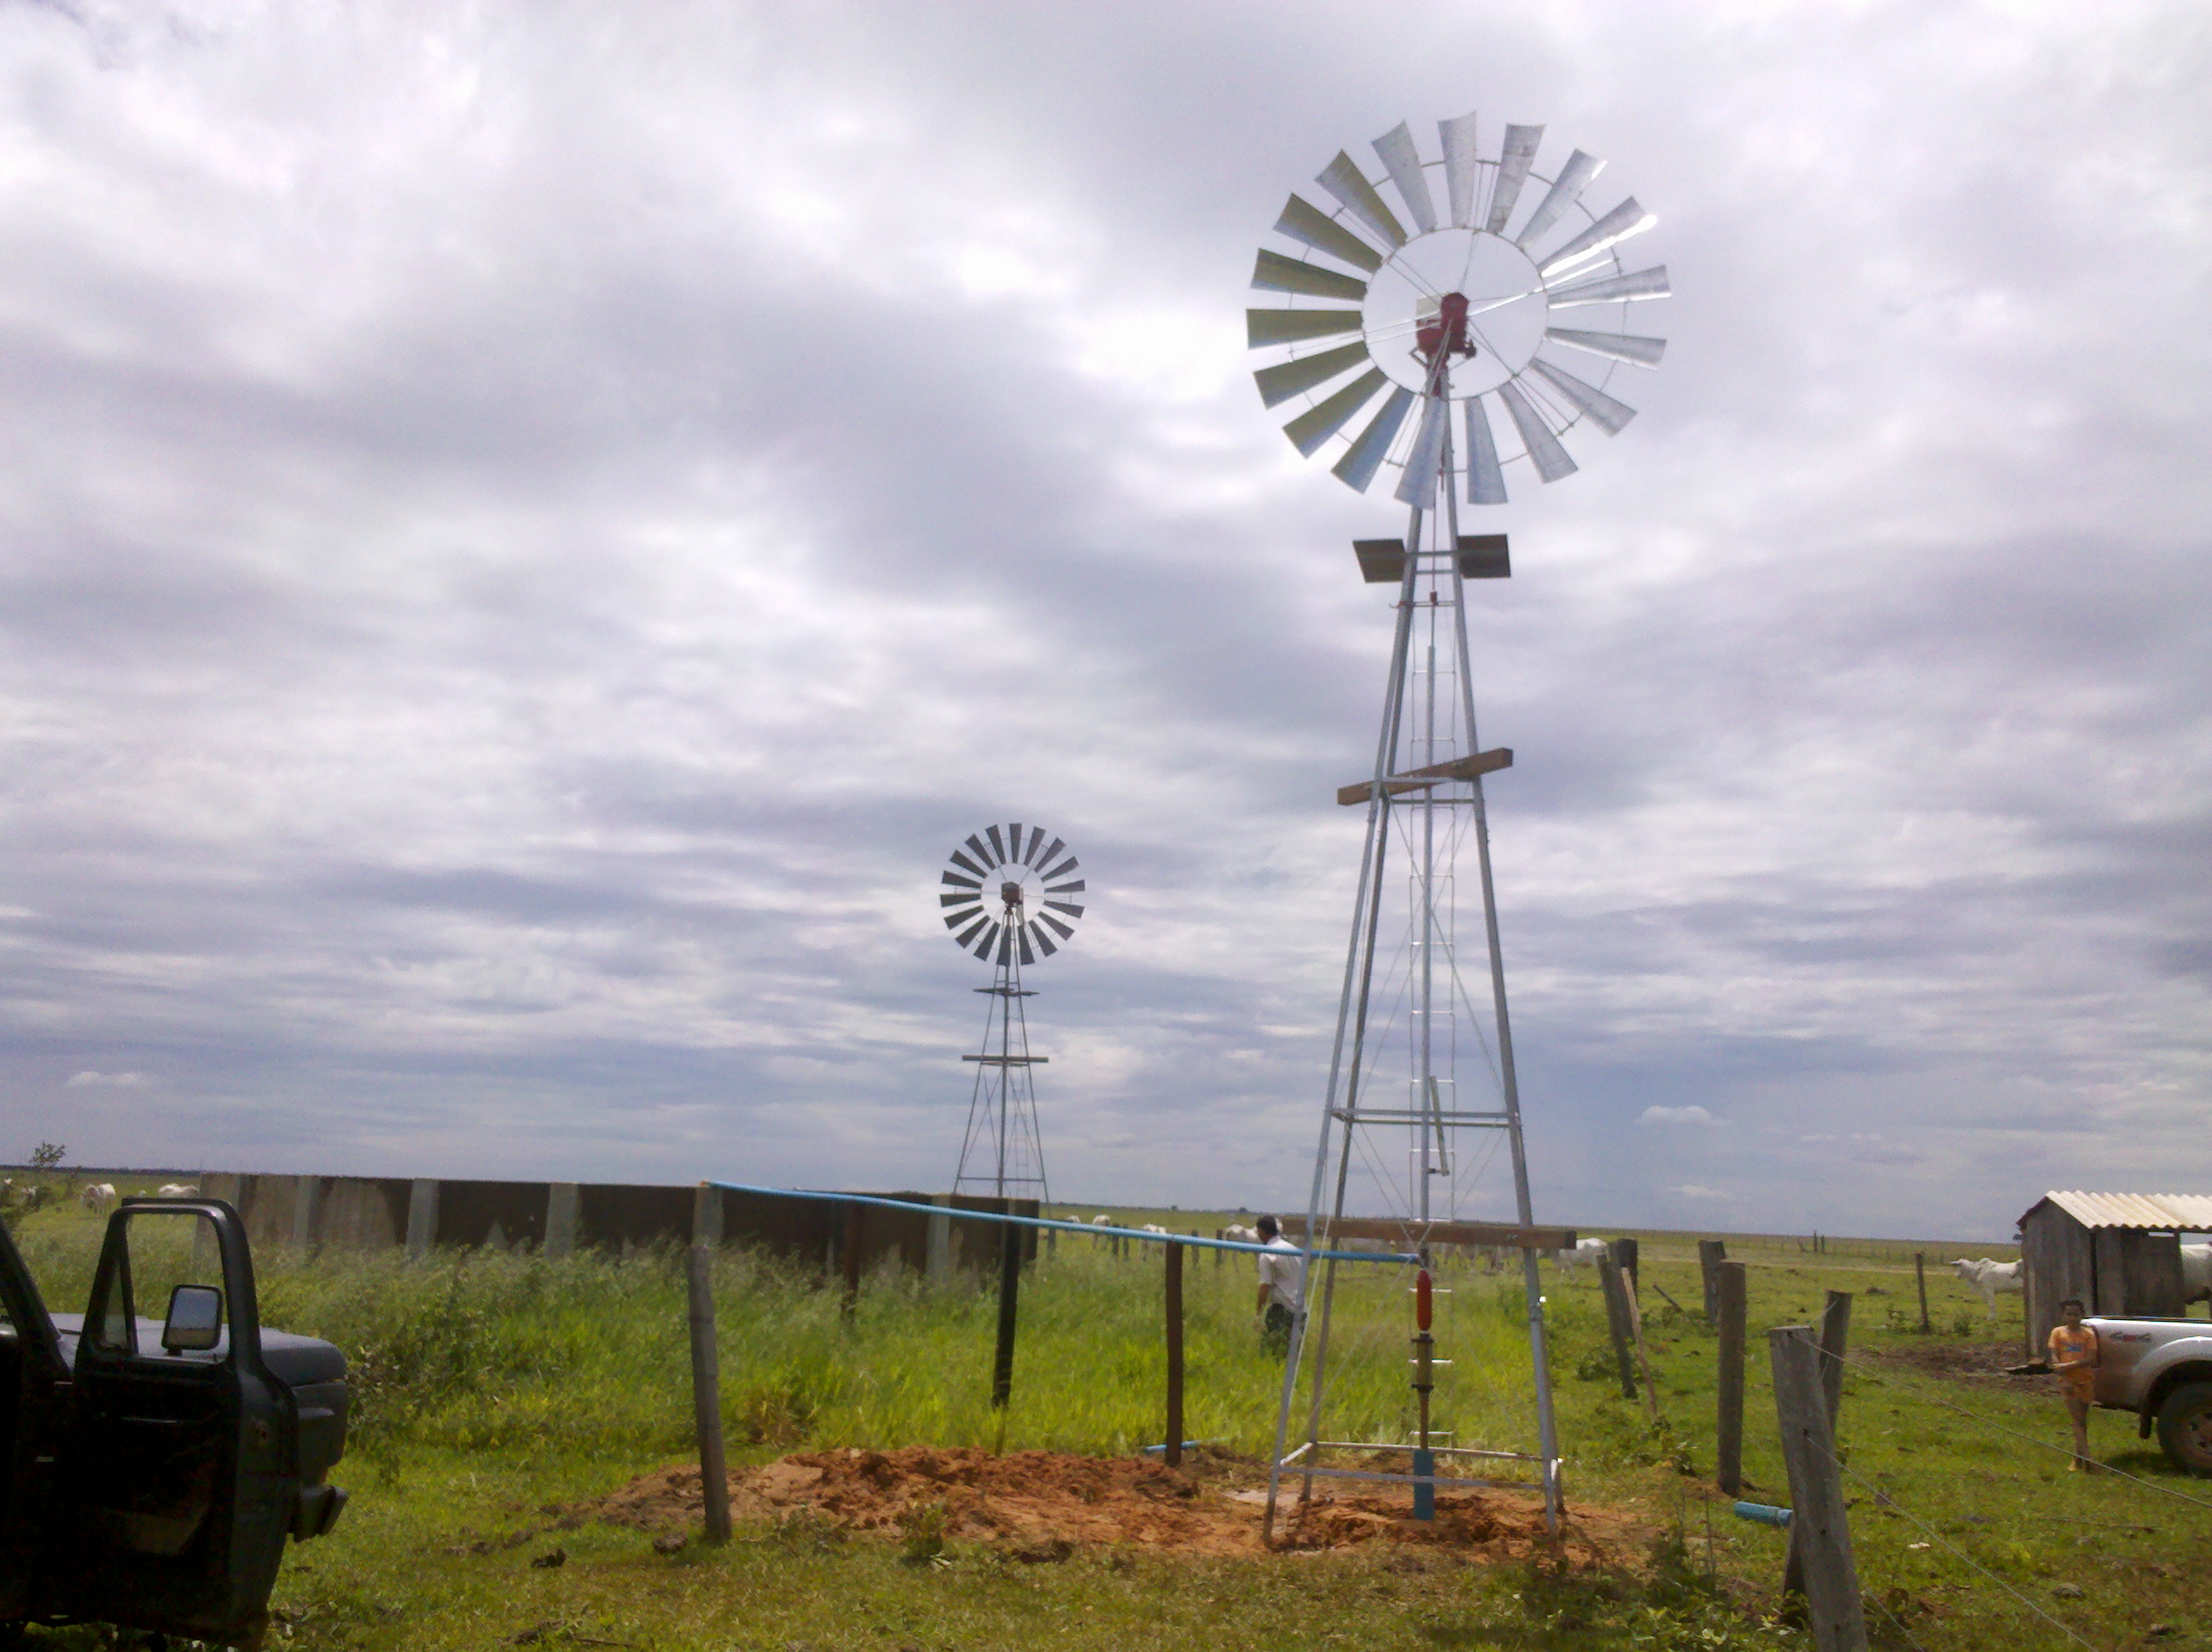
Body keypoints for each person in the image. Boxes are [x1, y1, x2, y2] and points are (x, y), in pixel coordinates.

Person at [2048, 1297, 2099, 1472]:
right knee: (2077, 1421)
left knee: (2082, 1421)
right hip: (2067, 1382)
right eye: (2069, 1314)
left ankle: (2078, 1458)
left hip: (2085, 1380)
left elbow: (2090, 1358)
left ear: (2082, 1315)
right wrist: (2064, 1374)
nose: (2072, 1317)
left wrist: (2068, 1366)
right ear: (2064, 1316)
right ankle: (2090, 1461)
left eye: (2076, 1314)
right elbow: (2055, 1357)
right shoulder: (2058, 1333)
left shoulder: (2088, 1335)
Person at [1254, 1214, 1303, 1353]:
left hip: (1282, 1309)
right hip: (1300, 1307)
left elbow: (1265, 1286)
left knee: (1271, 1351)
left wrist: (1258, 1313)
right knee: (1294, 1354)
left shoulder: (1267, 1254)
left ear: (1262, 1232)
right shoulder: (1293, 1249)